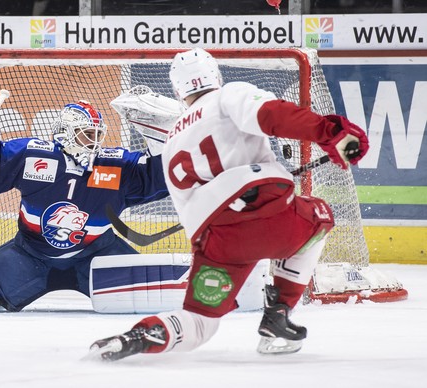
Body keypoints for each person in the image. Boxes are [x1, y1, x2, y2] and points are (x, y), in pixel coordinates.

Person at [86, 48, 369, 360]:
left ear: (179, 90)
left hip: (218, 243)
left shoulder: (171, 142)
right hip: (269, 214)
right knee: (320, 217)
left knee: (200, 323)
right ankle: (279, 312)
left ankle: (135, 338)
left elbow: (191, 212)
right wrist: (330, 133)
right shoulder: (228, 95)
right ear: (215, 76)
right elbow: (271, 115)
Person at [0, 98, 175, 313]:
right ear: (65, 133)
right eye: (84, 134)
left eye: (96, 135)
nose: (92, 142)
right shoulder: (35, 157)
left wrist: (165, 139)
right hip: (30, 255)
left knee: (152, 294)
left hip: (98, 254)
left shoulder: (112, 167)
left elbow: (156, 177)